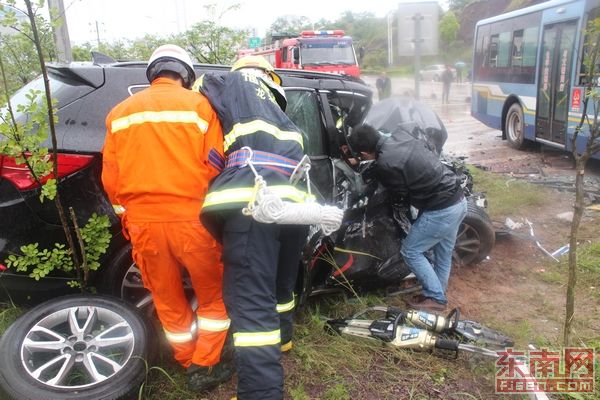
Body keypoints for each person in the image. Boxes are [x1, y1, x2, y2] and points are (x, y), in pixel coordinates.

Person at [101, 44, 233, 392]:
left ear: (153, 72)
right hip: (193, 221)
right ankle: (205, 365)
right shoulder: (201, 107)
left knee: (167, 296)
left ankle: (185, 357)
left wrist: (128, 215)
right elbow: (216, 165)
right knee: (214, 294)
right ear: (186, 75)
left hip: (144, 224)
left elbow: (111, 178)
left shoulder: (119, 113)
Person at [192, 55, 312, 400]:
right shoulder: (281, 112)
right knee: (281, 283)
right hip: (292, 203)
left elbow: (201, 88)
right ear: (270, 78)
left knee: (250, 301)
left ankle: (261, 393)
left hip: (252, 201)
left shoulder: (232, 82)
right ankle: (283, 340)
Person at [349, 123, 467, 312]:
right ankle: (436, 292)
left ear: (364, 154)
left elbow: (400, 195)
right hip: (458, 200)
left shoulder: (385, 163)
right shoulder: (400, 133)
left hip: (441, 210)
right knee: (442, 253)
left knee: (410, 251)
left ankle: (436, 298)